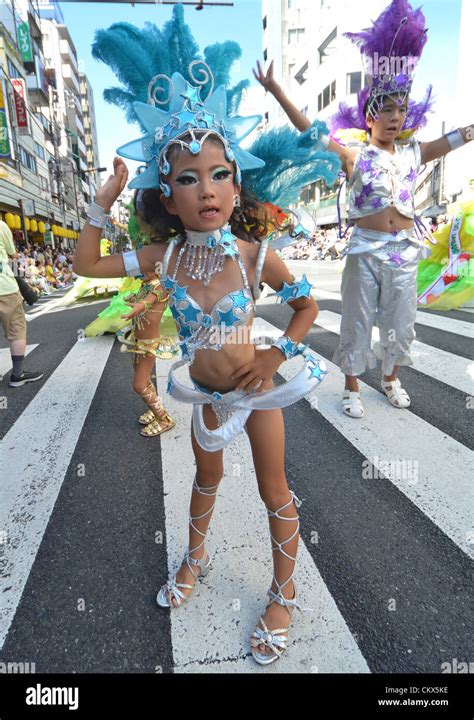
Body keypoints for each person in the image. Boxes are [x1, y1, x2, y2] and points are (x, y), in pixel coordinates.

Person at [72, 52, 339, 663]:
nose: (207, 189)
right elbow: (85, 264)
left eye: (219, 174)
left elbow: (308, 308)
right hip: (204, 397)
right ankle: (195, 558)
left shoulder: (252, 253)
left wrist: (275, 357)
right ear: (167, 196)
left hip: (254, 391)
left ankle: (284, 589)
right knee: (206, 479)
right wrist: (101, 200)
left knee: (276, 488)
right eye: (189, 179)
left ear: (235, 184)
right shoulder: (163, 259)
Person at [254, 0, 473, 419]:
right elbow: (312, 133)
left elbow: (455, 139)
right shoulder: (354, 155)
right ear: (370, 115)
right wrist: (278, 92)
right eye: (386, 110)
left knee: (402, 324)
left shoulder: (414, 151)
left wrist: (469, 130)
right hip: (365, 248)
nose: (394, 118)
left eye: (400, 110)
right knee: (356, 322)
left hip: (405, 250)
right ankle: (352, 386)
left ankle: (390, 377)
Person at [119, 270, 177, 437]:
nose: (141, 271)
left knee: (139, 385)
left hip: (149, 345)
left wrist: (140, 305)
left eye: (147, 267)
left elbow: (150, 300)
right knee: (144, 380)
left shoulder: (161, 286)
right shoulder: (144, 285)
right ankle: (154, 408)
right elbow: (142, 301)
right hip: (137, 342)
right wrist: (133, 300)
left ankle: (164, 419)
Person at [0, 220, 43, 386]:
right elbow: (13, 255)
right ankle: (17, 375)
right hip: (4, 287)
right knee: (16, 329)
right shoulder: (1, 226)